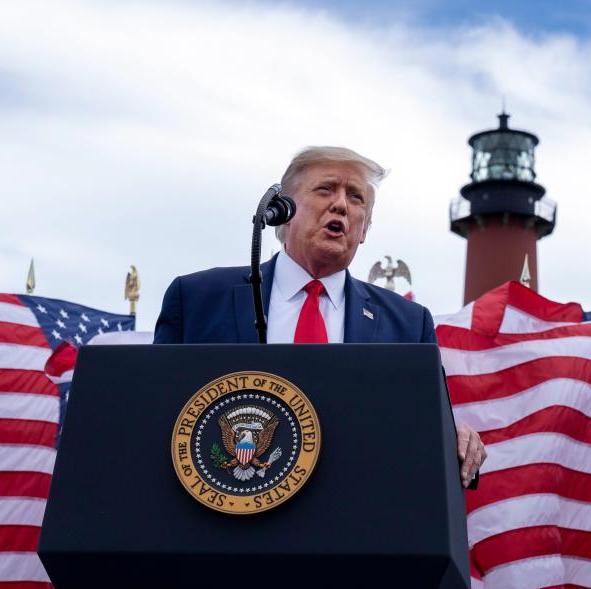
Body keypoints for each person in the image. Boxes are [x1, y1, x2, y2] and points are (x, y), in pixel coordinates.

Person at [154, 146, 486, 485]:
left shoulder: (407, 324)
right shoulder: (198, 299)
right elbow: (155, 420)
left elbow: (424, 428)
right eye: (326, 189)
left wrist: (453, 438)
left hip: (352, 521)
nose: (341, 204)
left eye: (356, 198)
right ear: (281, 212)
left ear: (364, 231)